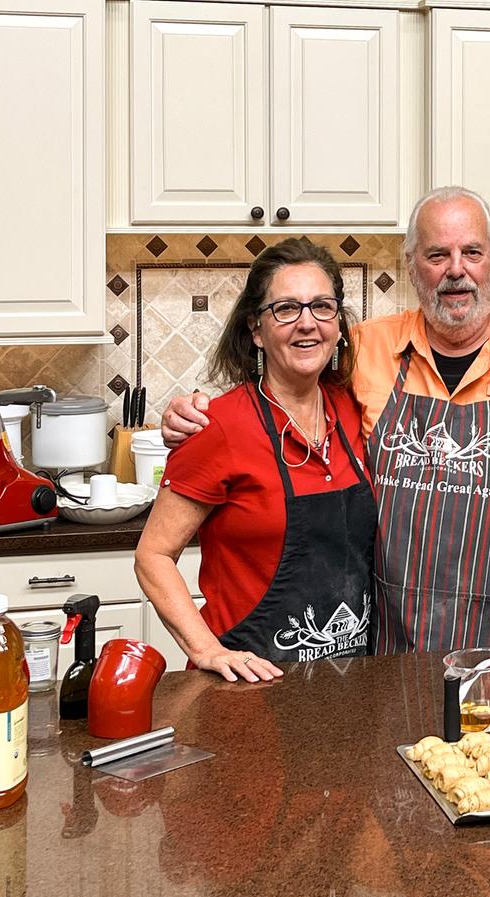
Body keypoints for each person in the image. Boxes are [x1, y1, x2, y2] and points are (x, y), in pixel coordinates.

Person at [163, 186, 490, 653]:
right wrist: (195, 412)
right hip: (386, 648)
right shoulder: (364, 349)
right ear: (412, 266)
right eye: (438, 254)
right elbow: (286, 381)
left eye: (472, 252)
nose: (456, 269)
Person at [136, 238, 376, 682]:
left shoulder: (356, 409)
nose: (307, 324)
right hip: (249, 686)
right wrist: (206, 649)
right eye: (286, 309)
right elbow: (152, 555)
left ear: (338, 324)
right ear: (256, 329)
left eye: (322, 307)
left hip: (349, 681)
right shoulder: (218, 427)